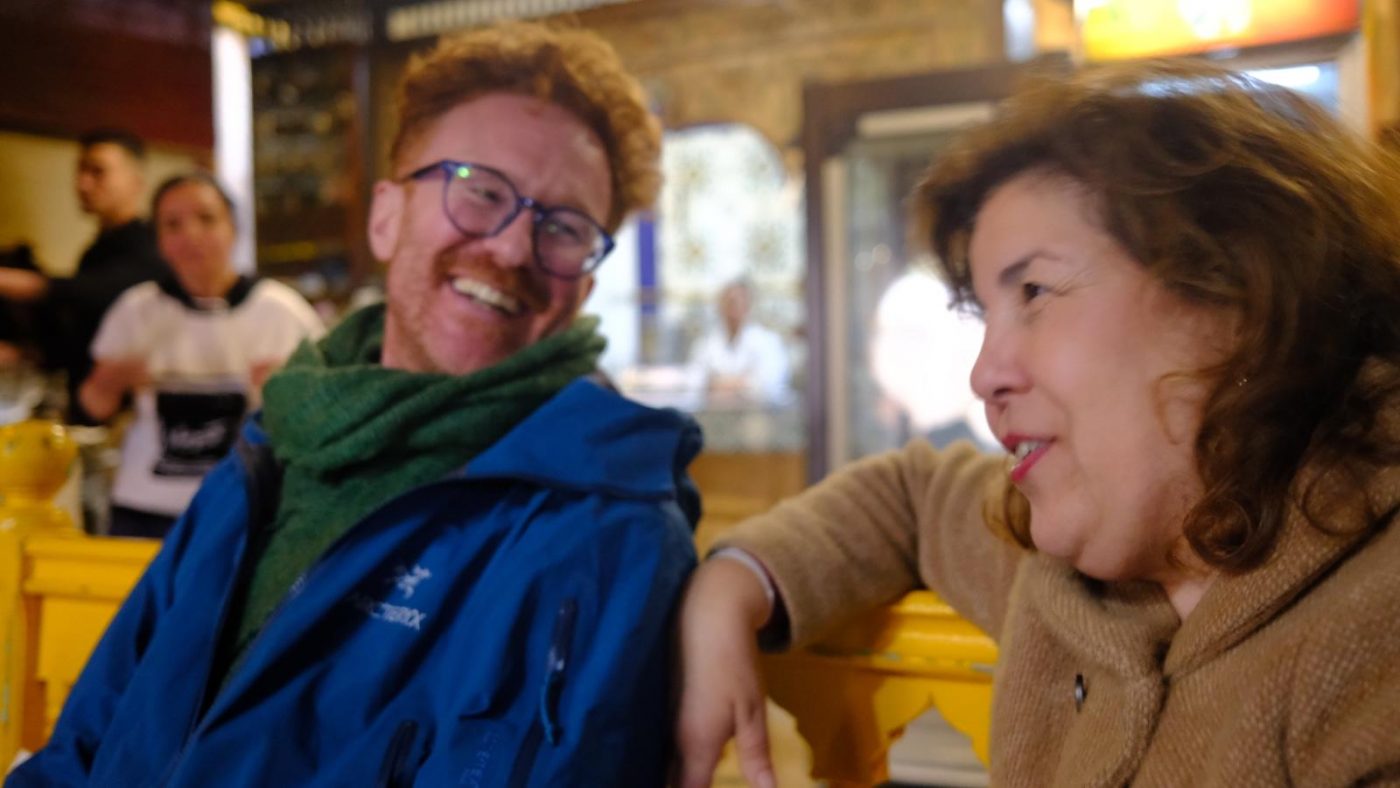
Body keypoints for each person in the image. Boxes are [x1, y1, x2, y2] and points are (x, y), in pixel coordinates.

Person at [8, 21, 700, 787]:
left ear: (586, 285)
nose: (510, 249)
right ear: (385, 216)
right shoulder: (272, 450)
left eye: (564, 226)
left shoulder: (601, 525)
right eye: (479, 190)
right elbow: (87, 742)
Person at [675, 60, 1400, 788]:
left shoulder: (1371, 643)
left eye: (1035, 291)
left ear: (1237, 293)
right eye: (987, 313)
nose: (984, 373)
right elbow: (912, 496)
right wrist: (730, 586)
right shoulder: (1053, 555)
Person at [79, 172, 324, 539]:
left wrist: (291, 391)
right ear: (159, 240)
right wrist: (109, 380)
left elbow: (324, 415)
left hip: (249, 505)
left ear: (234, 228)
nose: (191, 235)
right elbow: (93, 408)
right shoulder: (136, 310)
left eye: (207, 219)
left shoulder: (282, 311)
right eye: (173, 225)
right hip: (147, 508)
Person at [0, 129, 166, 424]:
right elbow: (81, 333)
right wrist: (25, 353)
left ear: (136, 181)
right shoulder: (96, 251)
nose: (83, 183)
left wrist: (18, 282)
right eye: (80, 171)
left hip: (133, 416)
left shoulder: (149, 246)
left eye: (97, 171)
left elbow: (98, 292)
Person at [687, 277, 791, 406]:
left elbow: (769, 385)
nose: (733, 309)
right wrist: (740, 383)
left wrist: (718, 384)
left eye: (738, 302)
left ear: (749, 305)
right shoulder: (705, 344)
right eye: (729, 302)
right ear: (720, 306)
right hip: (714, 417)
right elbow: (693, 383)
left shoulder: (768, 342)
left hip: (758, 419)